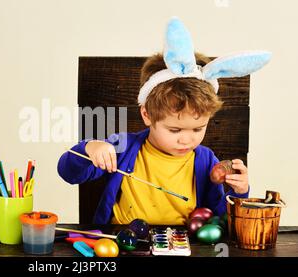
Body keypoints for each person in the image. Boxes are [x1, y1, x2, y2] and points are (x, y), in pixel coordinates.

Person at [57, 17, 271, 225]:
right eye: (175, 130)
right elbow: (68, 173)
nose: (187, 140)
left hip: (183, 245)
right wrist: (89, 148)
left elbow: (219, 218)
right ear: (147, 115)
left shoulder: (205, 160)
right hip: (123, 241)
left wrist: (240, 193)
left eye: (198, 128)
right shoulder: (123, 147)